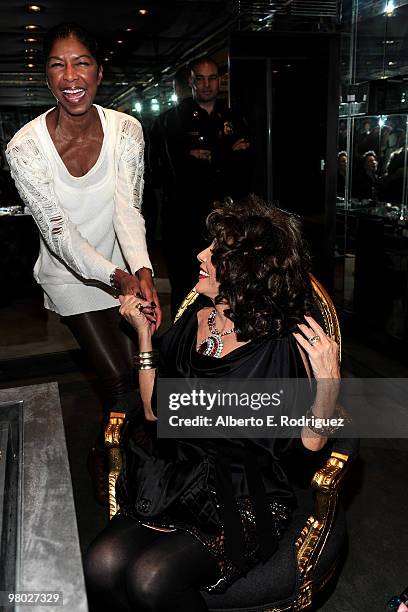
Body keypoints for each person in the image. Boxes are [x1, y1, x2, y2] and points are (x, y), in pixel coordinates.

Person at [85, 195, 341, 611]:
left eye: (216, 252)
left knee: (150, 579)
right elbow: (154, 411)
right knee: (100, 564)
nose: (200, 254)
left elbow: (306, 448)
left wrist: (328, 383)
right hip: (176, 475)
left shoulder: (283, 343)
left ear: (246, 271)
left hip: (242, 494)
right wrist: (145, 335)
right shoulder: (197, 318)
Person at [5, 22, 161, 499]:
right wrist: (117, 278)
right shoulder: (24, 147)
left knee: (148, 365)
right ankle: (119, 471)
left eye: (81, 62)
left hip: (123, 268)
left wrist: (143, 271)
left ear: (99, 71)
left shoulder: (126, 130)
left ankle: (111, 449)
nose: (70, 75)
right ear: (46, 76)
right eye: (57, 64)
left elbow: (126, 208)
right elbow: (58, 231)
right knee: (117, 378)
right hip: (70, 276)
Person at [148, 56, 252, 318]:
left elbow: (248, 166)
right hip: (184, 220)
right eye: (200, 79)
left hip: (227, 219)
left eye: (212, 78)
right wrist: (227, 153)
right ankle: (183, 345)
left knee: (227, 283)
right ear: (191, 82)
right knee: (185, 285)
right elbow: (167, 170)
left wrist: (208, 156)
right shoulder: (171, 121)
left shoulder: (235, 118)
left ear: (220, 81)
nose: (206, 85)